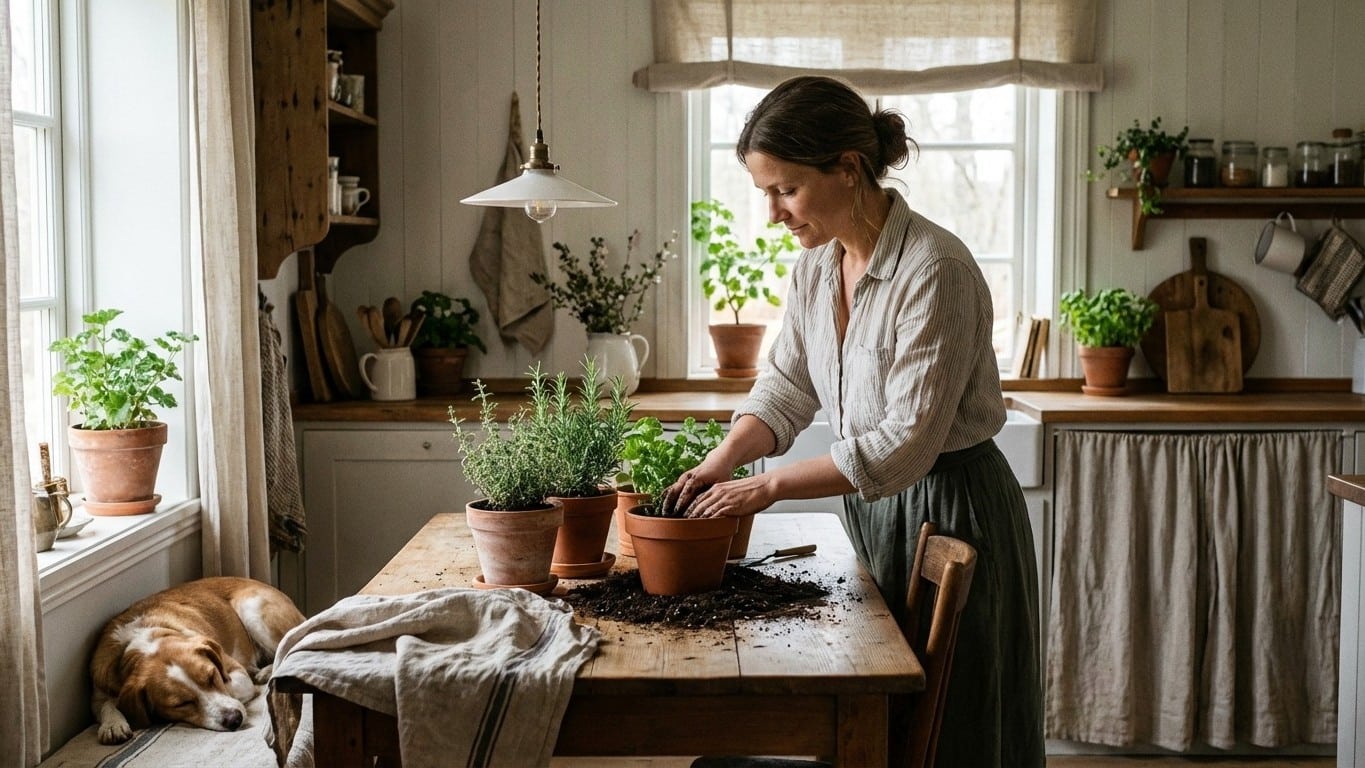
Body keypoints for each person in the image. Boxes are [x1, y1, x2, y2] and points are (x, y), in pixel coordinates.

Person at [660, 75, 1044, 767]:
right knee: (876, 716)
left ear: (846, 166)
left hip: (953, 512)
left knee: (952, 726)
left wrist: (767, 487)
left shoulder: (935, 269)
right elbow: (783, 389)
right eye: (764, 193)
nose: (773, 214)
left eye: (785, 189)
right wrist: (721, 462)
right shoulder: (815, 268)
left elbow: (903, 446)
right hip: (875, 512)